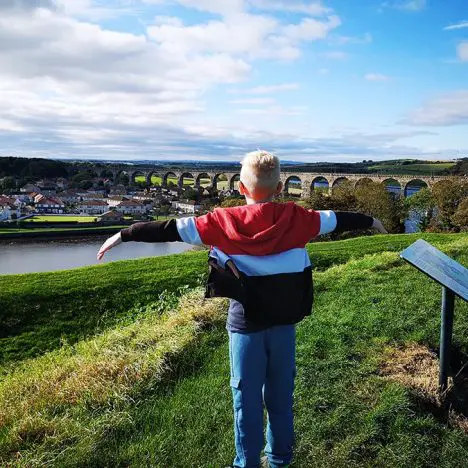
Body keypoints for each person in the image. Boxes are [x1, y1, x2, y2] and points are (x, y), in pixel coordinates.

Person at [97, 151, 388, 468]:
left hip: (245, 325)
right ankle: (279, 461)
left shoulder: (220, 222)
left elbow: (168, 228)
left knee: (245, 399)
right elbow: (339, 218)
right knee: (280, 398)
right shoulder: (300, 220)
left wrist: (123, 235)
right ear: (279, 189)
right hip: (284, 323)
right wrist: (373, 221)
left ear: (241, 189)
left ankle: (246, 463)